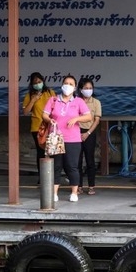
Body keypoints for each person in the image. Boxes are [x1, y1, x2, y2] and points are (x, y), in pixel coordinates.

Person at [42, 75, 92, 203]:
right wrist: (49, 119)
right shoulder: (53, 100)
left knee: (72, 166)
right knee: (56, 166)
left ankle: (74, 192)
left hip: (73, 139)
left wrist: (76, 119)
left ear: (75, 87)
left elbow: (88, 117)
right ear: (62, 85)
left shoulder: (78, 102)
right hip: (56, 138)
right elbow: (45, 114)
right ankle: (54, 193)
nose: (68, 86)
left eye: (71, 84)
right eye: (66, 83)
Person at [21, 72, 56, 181]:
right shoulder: (29, 95)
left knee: (52, 151)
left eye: (39, 82)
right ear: (31, 84)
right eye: (35, 82)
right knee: (41, 152)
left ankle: (53, 177)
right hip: (37, 127)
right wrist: (33, 100)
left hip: (50, 125)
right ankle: (42, 177)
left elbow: (57, 108)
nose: (38, 84)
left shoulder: (50, 92)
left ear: (43, 81)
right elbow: (25, 112)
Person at [77, 78, 102, 196]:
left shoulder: (96, 102)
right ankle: (79, 186)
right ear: (81, 89)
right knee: (77, 161)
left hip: (89, 132)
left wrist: (87, 133)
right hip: (76, 132)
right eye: (86, 88)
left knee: (89, 160)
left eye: (90, 88)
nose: (88, 90)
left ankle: (91, 186)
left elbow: (96, 120)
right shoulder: (76, 101)